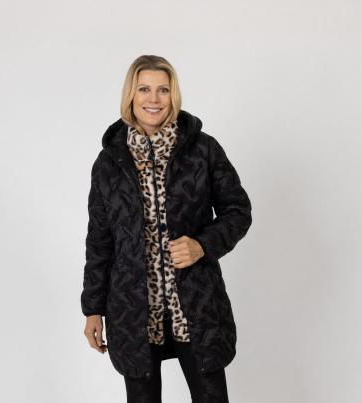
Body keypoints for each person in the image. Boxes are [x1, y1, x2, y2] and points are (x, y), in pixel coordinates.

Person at [81, 54, 252, 403]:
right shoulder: (109, 162)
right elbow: (100, 240)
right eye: (144, 89)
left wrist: (202, 245)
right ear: (131, 95)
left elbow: (238, 211)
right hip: (132, 310)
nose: (154, 99)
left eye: (163, 90)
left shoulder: (203, 150)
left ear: (174, 95)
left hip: (197, 305)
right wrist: (92, 309)